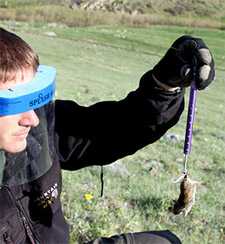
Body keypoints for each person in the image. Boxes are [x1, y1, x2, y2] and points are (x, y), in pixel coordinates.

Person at [0, 27, 215, 244]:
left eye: (32, 98)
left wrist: (164, 85)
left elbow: (106, 132)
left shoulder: (38, 130)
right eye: (13, 103)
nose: (32, 119)